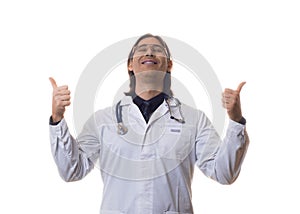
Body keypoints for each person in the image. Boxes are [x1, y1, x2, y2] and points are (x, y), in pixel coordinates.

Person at [49, 33, 249, 214]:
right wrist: (57, 119)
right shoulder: (103, 120)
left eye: (158, 50)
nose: (150, 52)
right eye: (142, 49)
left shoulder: (194, 120)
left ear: (169, 65)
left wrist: (236, 120)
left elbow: (224, 173)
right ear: (130, 64)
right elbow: (71, 171)